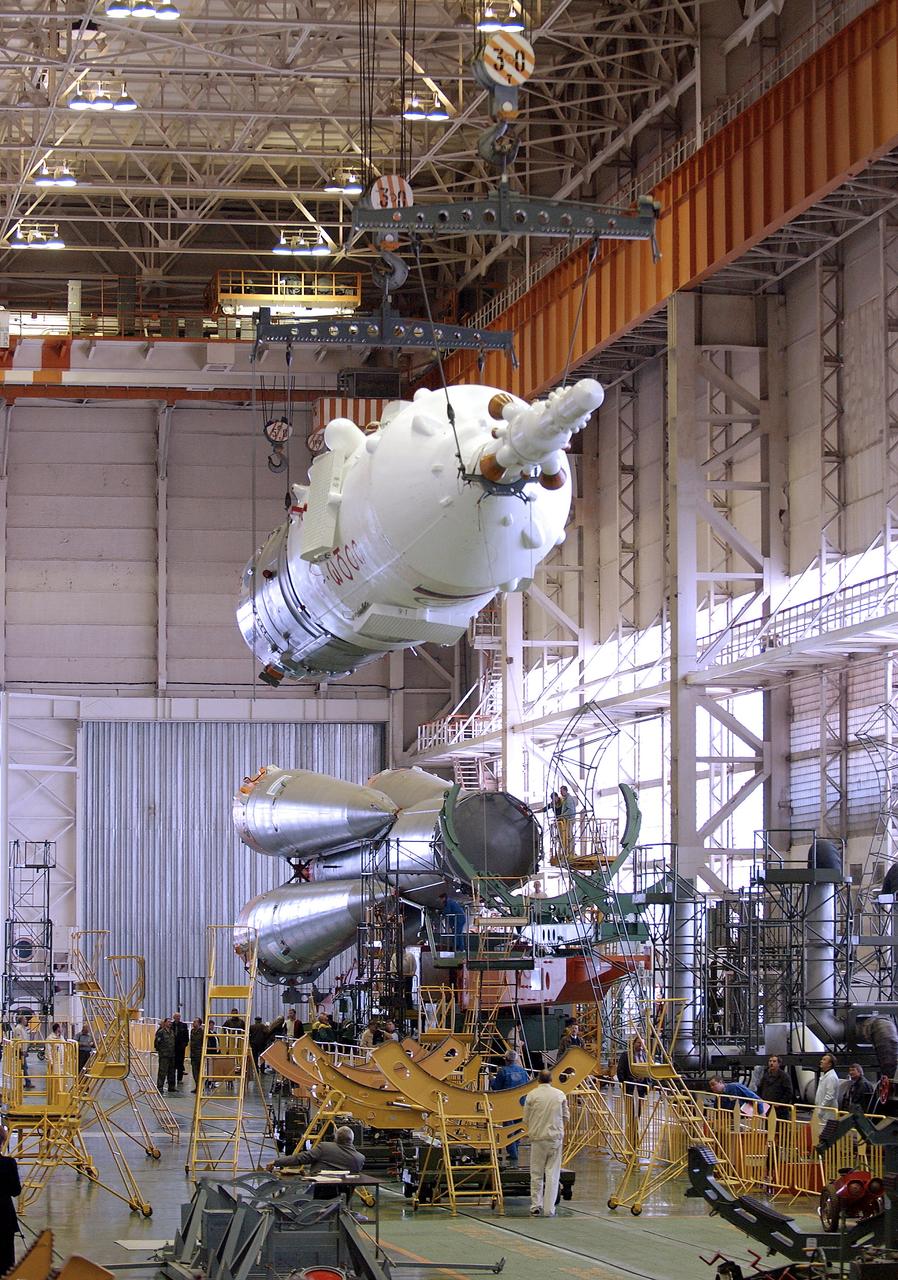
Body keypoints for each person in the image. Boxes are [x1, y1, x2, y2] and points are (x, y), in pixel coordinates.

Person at [523, 1069, 568, 1217]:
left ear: (538, 1080)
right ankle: (549, 1210)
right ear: (551, 1080)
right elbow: (566, 1116)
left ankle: (536, 1206)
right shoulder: (560, 1095)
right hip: (555, 1139)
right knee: (552, 1174)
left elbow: (525, 1119)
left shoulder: (531, 1095)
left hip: (537, 1139)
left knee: (536, 1173)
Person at [267, 1124, 364, 1175]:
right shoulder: (360, 1159)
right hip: (343, 1196)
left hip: (319, 1192)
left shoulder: (324, 1148)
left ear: (335, 1138)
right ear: (352, 1139)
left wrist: (276, 1162)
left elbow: (300, 1158)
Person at [490, 1050, 530, 1166]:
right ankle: (515, 1150)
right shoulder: (522, 1071)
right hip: (521, 1103)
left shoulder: (503, 1072)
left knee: (508, 1129)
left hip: (507, 1105)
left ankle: (513, 1154)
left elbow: (497, 1087)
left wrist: (492, 1079)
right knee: (518, 1128)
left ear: (506, 1059)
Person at [616, 1033, 648, 1146]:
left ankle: (636, 1125)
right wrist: (623, 1082)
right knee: (630, 1109)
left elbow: (649, 1071)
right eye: (639, 1043)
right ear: (634, 1043)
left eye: (643, 1043)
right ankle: (631, 1128)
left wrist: (648, 1083)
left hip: (641, 1087)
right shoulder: (626, 1055)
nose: (641, 1046)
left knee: (639, 1109)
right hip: (629, 1086)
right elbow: (620, 1070)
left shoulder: (645, 1055)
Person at [0, 1127, 21, 1275]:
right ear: (2, 1142)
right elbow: (16, 1191)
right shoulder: (9, 1163)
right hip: (4, 1217)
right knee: (6, 1261)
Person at [814, 1053, 841, 1121]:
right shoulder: (826, 1076)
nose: (821, 1061)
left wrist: (821, 1109)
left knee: (825, 1130)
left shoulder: (831, 1077)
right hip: (823, 1111)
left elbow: (830, 1096)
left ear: (829, 1064)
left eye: (824, 1060)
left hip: (827, 1113)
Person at [154, 1017, 176, 1094]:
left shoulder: (172, 1032)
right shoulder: (161, 1032)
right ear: (165, 1023)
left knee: (171, 1072)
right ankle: (160, 1087)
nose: (170, 1023)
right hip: (164, 1055)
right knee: (162, 1071)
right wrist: (161, 1051)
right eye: (168, 1022)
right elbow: (157, 1043)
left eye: (171, 1022)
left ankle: (171, 1087)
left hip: (171, 1055)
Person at [171, 1012, 190, 1088]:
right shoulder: (171, 1025)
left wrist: (184, 1044)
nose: (178, 1018)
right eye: (176, 1016)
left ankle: (179, 1079)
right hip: (172, 1048)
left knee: (180, 1064)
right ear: (174, 1017)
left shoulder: (183, 1025)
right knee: (172, 1064)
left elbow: (186, 1036)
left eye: (179, 1016)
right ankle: (171, 1079)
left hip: (180, 1048)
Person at [557, 787, 575, 858]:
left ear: (565, 791)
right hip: (566, 820)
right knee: (566, 836)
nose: (561, 793)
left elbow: (570, 811)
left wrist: (562, 816)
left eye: (561, 791)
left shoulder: (569, 799)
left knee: (568, 836)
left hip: (569, 820)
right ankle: (568, 851)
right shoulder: (565, 799)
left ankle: (570, 852)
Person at [189, 1017, 204, 1092]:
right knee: (194, 1072)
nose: (193, 1023)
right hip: (193, 1054)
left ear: (199, 1023)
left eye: (195, 1022)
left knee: (199, 1071)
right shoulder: (192, 1031)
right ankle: (197, 1086)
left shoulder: (202, 1032)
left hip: (199, 1054)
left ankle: (200, 1087)